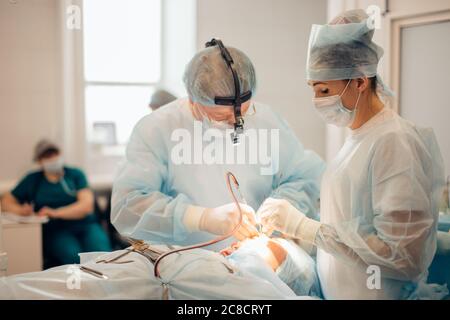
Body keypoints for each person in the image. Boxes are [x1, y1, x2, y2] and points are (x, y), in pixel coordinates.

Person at [258, 9, 448, 299]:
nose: (317, 101)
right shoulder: (358, 139)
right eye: (313, 89)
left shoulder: (393, 142)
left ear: (360, 81)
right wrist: (302, 236)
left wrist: (306, 227)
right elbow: (352, 226)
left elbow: (403, 256)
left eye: (324, 90)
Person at [111, 41, 326, 251]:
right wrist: (202, 218)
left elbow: (304, 176)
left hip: (252, 257)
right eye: (222, 117)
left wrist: (279, 207)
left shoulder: (266, 120)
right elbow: (129, 205)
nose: (237, 123)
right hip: (182, 265)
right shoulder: (157, 129)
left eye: (244, 112)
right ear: (195, 101)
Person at [1, 140, 111, 267]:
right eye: (47, 157)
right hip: (56, 231)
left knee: (103, 256)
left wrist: (55, 212)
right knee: (74, 259)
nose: (52, 159)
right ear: (39, 161)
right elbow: (5, 201)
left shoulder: (75, 174)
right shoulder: (33, 180)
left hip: (86, 225)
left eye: (54, 154)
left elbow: (86, 207)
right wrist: (20, 210)